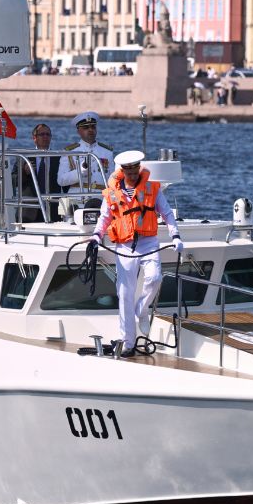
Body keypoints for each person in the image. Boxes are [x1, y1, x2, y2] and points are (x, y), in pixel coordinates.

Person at [90, 151, 182, 358]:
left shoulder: (152, 188)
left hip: (148, 242)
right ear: (122, 170)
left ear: (139, 168)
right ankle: (128, 343)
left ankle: (142, 310)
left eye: (135, 168)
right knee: (124, 293)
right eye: (128, 169)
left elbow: (166, 213)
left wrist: (175, 235)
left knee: (154, 277)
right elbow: (104, 217)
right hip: (124, 246)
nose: (131, 172)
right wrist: (96, 236)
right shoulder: (112, 192)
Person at [58, 111, 113, 199]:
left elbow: (112, 179)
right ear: (78, 131)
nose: (90, 130)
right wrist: (80, 171)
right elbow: (61, 180)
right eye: (86, 127)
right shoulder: (70, 151)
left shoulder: (107, 152)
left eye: (93, 127)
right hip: (78, 198)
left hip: (101, 198)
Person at [18, 123, 61, 222]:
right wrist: (24, 172)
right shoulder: (24, 158)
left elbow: (66, 186)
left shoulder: (59, 158)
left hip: (53, 211)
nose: (45, 137)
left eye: (48, 134)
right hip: (29, 212)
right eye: (42, 134)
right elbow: (13, 181)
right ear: (34, 138)